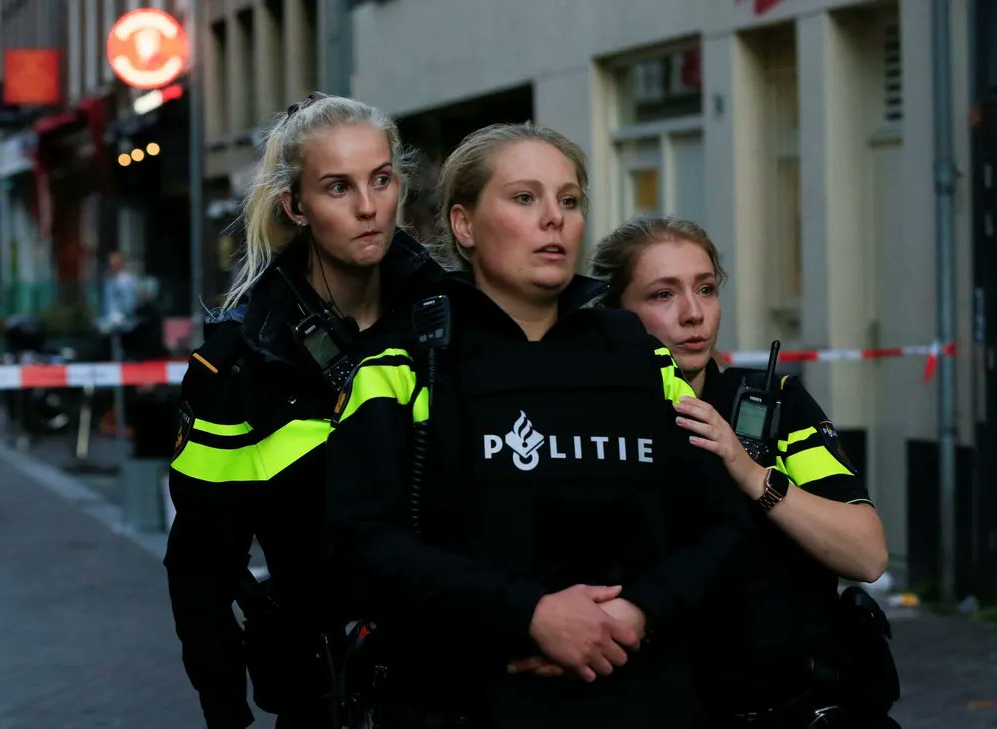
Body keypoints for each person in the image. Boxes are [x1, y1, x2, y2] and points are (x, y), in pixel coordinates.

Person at [324, 123, 751, 729]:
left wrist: (636, 614)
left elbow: (721, 525)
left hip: (643, 697)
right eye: (525, 198)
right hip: (467, 705)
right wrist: (531, 616)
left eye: (569, 200)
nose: (554, 218)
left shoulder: (638, 356)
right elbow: (363, 542)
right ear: (464, 225)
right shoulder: (404, 360)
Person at [163, 92, 444, 729]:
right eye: (338, 188)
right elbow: (201, 574)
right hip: (319, 696)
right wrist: (225, 717)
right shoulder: (239, 368)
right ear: (296, 205)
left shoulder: (456, 325)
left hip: (452, 691)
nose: (369, 208)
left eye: (380, 180)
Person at [591, 215, 898, 728]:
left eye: (706, 289)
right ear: (615, 312)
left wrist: (753, 474)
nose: (694, 315)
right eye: (663, 295)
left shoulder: (774, 404)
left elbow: (867, 554)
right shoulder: (599, 421)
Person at [100, 250, 139, 331]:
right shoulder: (108, 280)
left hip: (123, 323)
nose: (112, 265)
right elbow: (106, 302)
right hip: (109, 320)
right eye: (111, 262)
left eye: (115, 262)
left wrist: (120, 317)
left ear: (121, 264)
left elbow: (129, 305)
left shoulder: (127, 281)